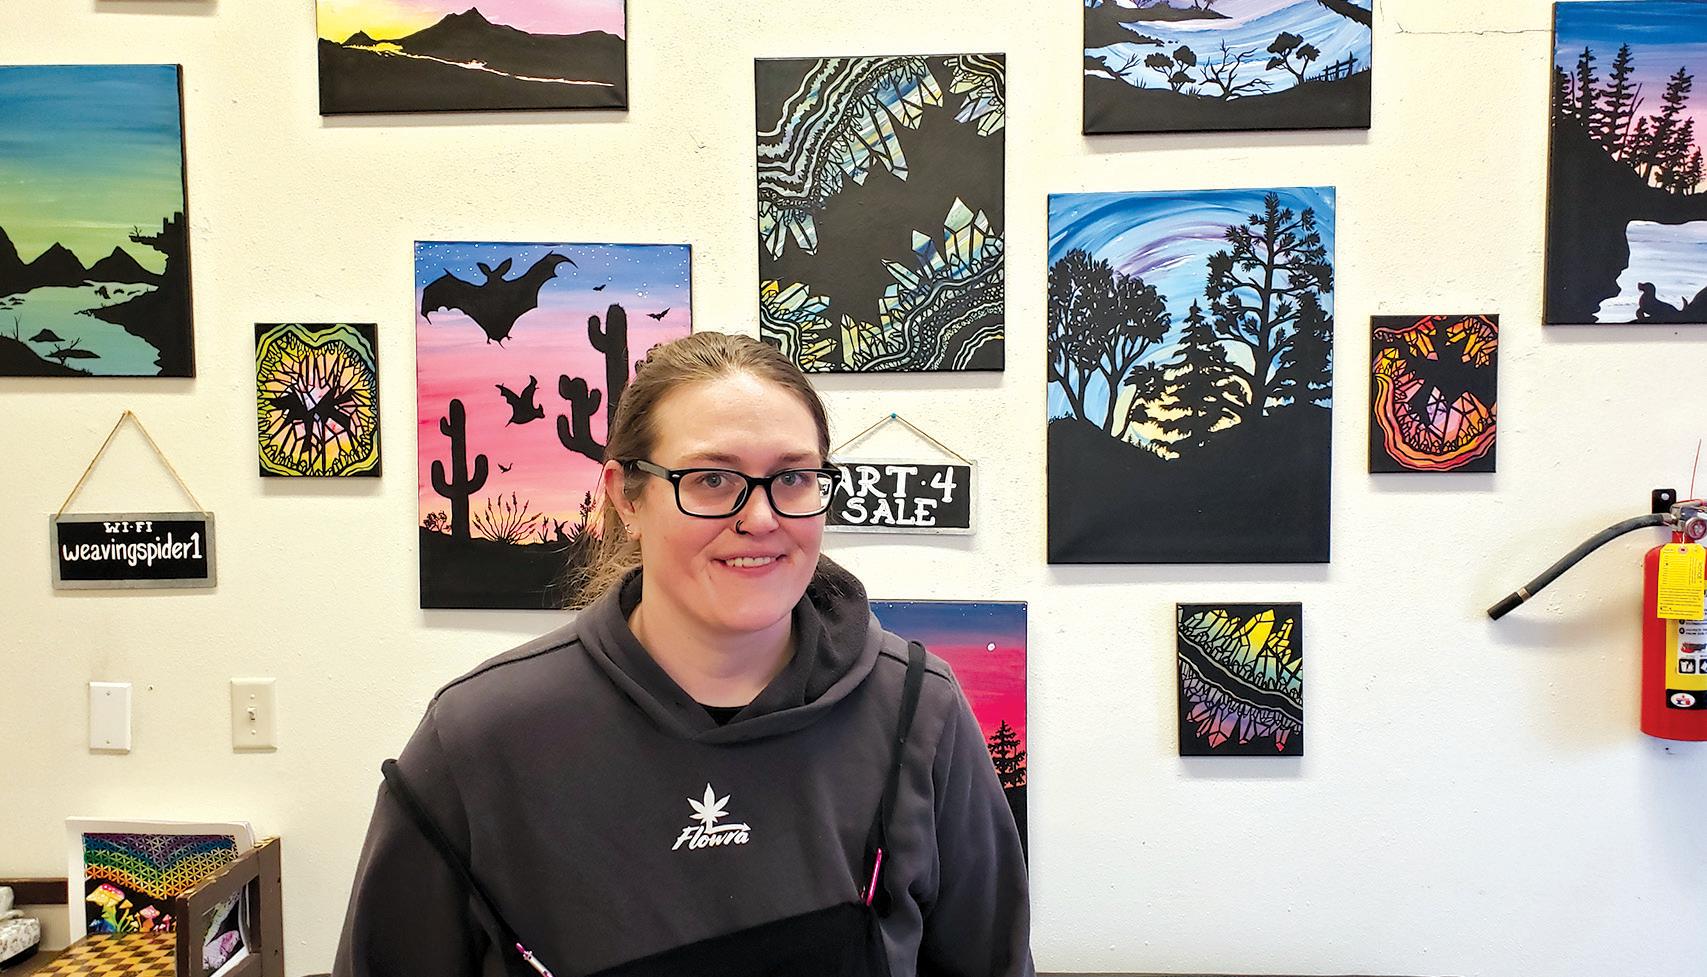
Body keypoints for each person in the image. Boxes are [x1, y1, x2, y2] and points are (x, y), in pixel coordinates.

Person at [332, 331, 1032, 977]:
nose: (761, 518)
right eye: (711, 479)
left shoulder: (918, 711)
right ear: (625, 499)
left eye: (792, 477)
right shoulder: (478, 740)